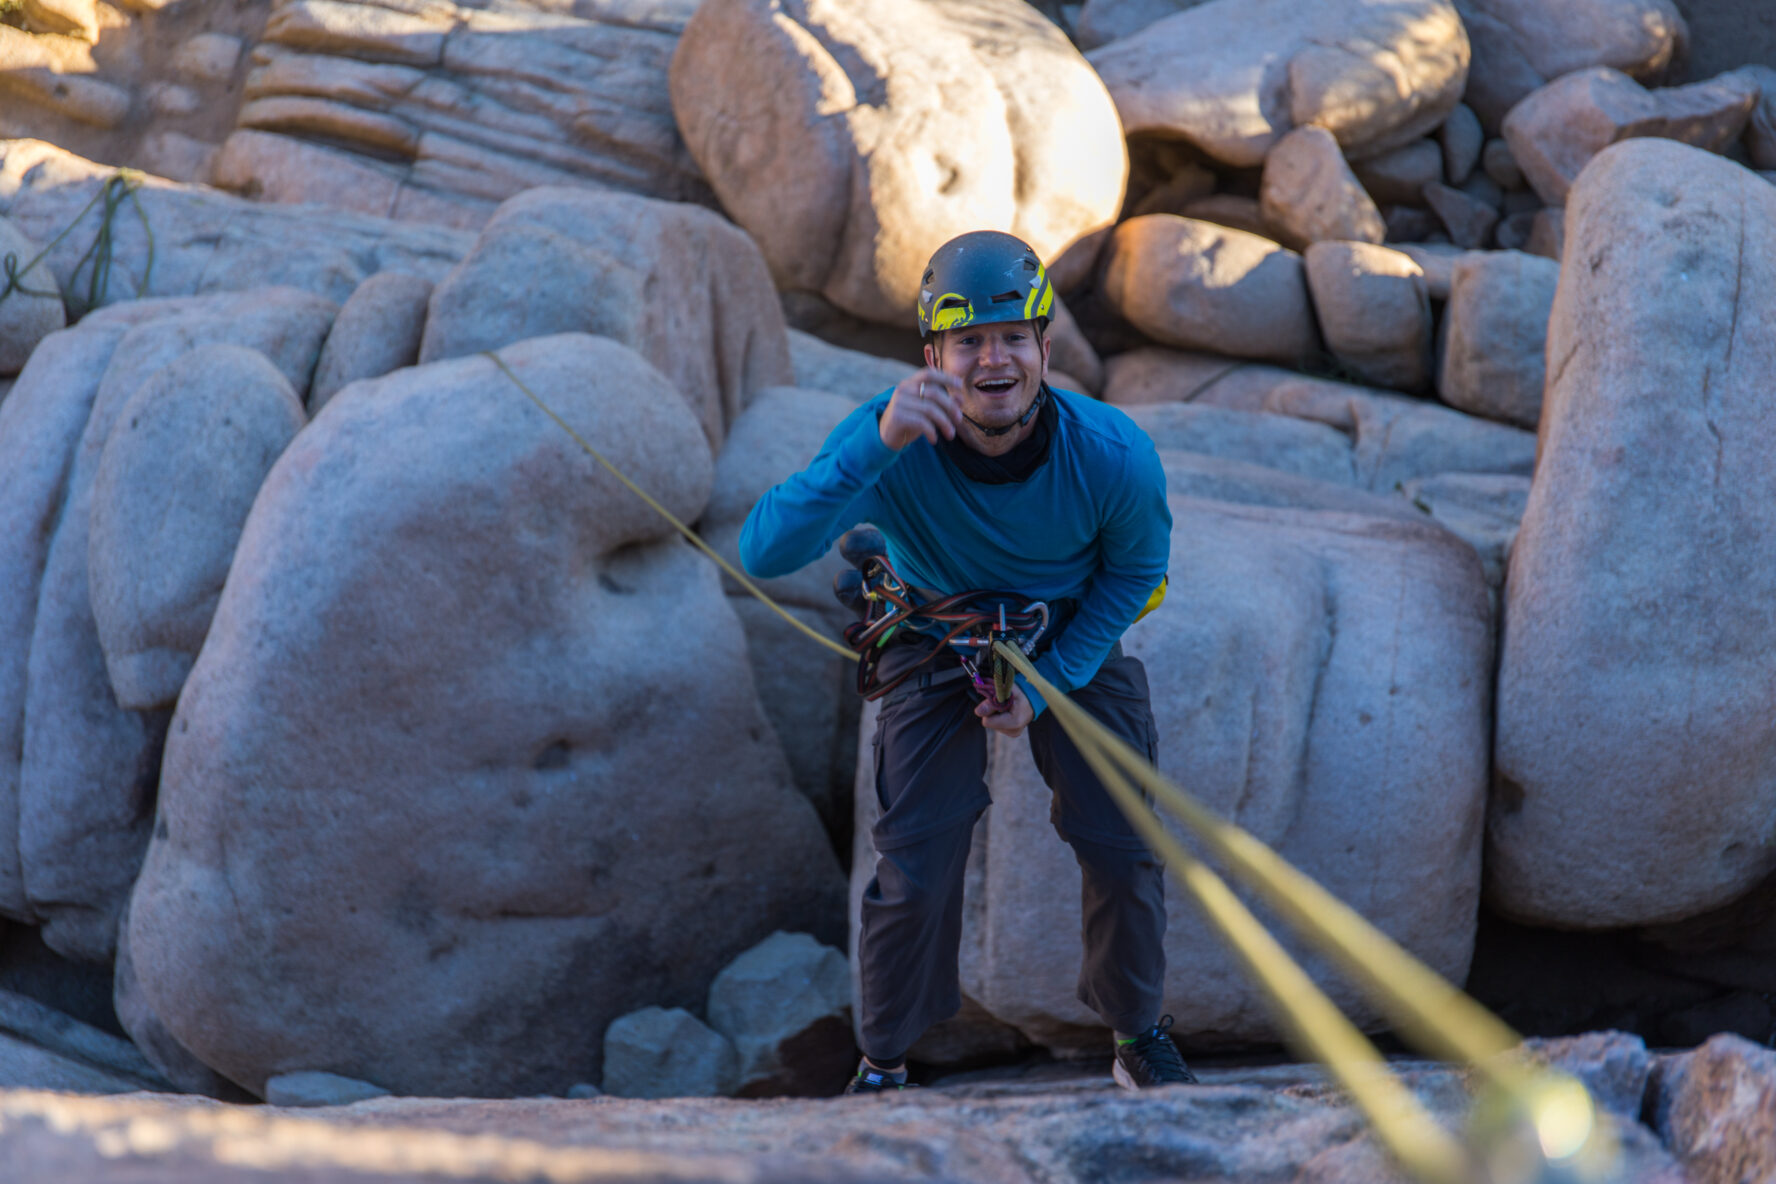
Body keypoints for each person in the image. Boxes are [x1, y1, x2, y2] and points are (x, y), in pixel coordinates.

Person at [739, 231, 1194, 1093]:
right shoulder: (888, 438)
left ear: (1045, 348)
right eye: (970, 341)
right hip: (930, 628)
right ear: (933, 357)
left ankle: (1137, 1036)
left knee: (1124, 842)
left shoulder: (1111, 454)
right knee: (915, 857)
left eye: (1013, 337)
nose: (995, 359)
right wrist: (874, 442)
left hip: (1065, 632)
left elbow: (1139, 572)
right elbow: (763, 549)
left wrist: (1048, 681)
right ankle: (884, 1062)